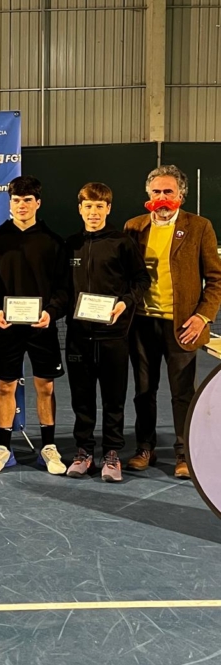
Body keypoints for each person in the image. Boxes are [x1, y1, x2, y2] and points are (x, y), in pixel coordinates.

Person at [124, 164, 221, 478]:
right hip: (141, 324)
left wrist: (202, 317)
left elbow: (216, 280)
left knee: (183, 394)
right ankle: (144, 448)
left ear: (181, 194)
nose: (162, 197)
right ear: (148, 194)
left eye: (168, 191)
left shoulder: (200, 227)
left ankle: (184, 453)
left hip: (183, 326)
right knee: (143, 391)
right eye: (156, 192)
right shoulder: (133, 227)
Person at [0, 175, 67, 475]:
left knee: (45, 387)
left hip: (42, 327)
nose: (22, 205)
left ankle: (48, 447)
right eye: (16, 200)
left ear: (38, 203)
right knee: (5, 387)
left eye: (27, 200)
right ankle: (4, 448)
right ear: (10, 203)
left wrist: (51, 312)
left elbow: (64, 287)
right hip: (7, 328)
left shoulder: (53, 241)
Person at [65, 182, 150, 482]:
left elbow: (141, 280)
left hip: (114, 337)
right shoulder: (71, 244)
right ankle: (83, 451)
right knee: (82, 399)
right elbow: (62, 288)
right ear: (80, 209)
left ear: (108, 209)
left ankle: (112, 453)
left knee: (114, 399)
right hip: (78, 337)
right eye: (88, 206)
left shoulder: (122, 243)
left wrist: (125, 303)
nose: (93, 212)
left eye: (99, 207)